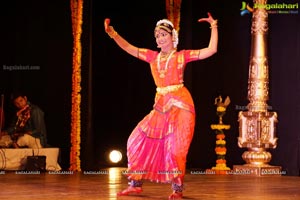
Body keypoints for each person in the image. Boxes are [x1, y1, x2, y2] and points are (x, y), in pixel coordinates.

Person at [104, 12, 218, 199]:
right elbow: (128, 48)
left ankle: (177, 189)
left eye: (163, 34)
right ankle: (135, 184)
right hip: (160, 106)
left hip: (180, 105)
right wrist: (112, 33)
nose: (159, 38)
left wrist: (213, 26)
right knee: (135, 141)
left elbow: (211, 50)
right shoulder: (152, 57)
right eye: (157, 36)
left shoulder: (182, 56)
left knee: (175, 148)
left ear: (172, 37)